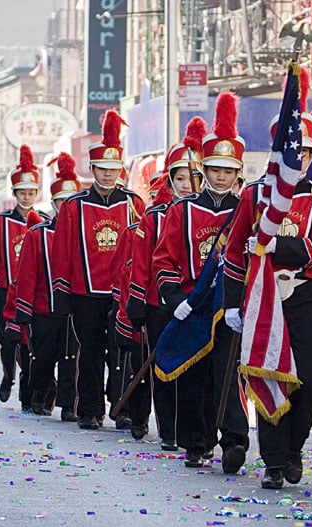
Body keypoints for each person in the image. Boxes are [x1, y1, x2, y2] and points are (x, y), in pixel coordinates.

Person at [222, 81, 312, 489]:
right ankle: (273, 463)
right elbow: (235, 252)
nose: (299, 158)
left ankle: (294, 450)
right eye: (292, 151)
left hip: (303, 296)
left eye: (305, 153)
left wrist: (275, 245)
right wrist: (234, 304)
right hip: (262, 298)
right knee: (271, 376)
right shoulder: (254, 196)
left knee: (306, 381)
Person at [153, 91, 249, 472]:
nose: (222, 176)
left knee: (226, 375)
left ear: (237, 172)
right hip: (192, 303)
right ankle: (197, 443)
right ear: (204, 171)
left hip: (229, 304)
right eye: (215, 169)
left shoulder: (247, 209)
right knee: (193, 377)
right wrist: (173, 295)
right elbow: (164, 258)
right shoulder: (182, 210)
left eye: (228, 170)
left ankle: (233, 442)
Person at [50, 109, 145, 430]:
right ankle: (89, 409)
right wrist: (61, 293)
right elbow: (61, 251)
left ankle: (122, 408)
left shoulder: (133, 203)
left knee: (122, 354)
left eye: (113, 168)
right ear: (91, 169)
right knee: (89, 353)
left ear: (121, 169)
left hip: (122, 293)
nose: (108, 174)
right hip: (84, 292)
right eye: (102, 169)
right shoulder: (74, 205)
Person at [127, 117, 206, 450]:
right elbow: (144, 263)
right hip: (161, 304)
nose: (187, 184)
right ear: (171, 179)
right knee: (163, 367)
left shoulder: (211, 213)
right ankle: (169, 430)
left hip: (201, 304)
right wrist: (138, 300)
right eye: (180, 177)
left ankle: (196, 432)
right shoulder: (153, 217)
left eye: (193, 177)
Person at [0, 145, 47, 405]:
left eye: (31, 192)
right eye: (23, 192)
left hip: (30, 294)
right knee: (7, 341)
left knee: (29, 343)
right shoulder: (0, 222)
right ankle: (8, 375)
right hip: (5, 291)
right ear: (15, 193)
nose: (27, 196)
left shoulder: (42, 221)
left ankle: (27, 393)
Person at [16, 153, 81, 421]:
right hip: (44, 310)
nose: (66, 207)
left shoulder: (83, 234)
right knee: (42, 359)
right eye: (61, 202)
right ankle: (38, 398)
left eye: (70, 202)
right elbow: (27, 275)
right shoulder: (37, 234)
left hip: (74, 310)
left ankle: (68, 405)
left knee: (70, 360)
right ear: (53, 204)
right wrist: (24, 310)